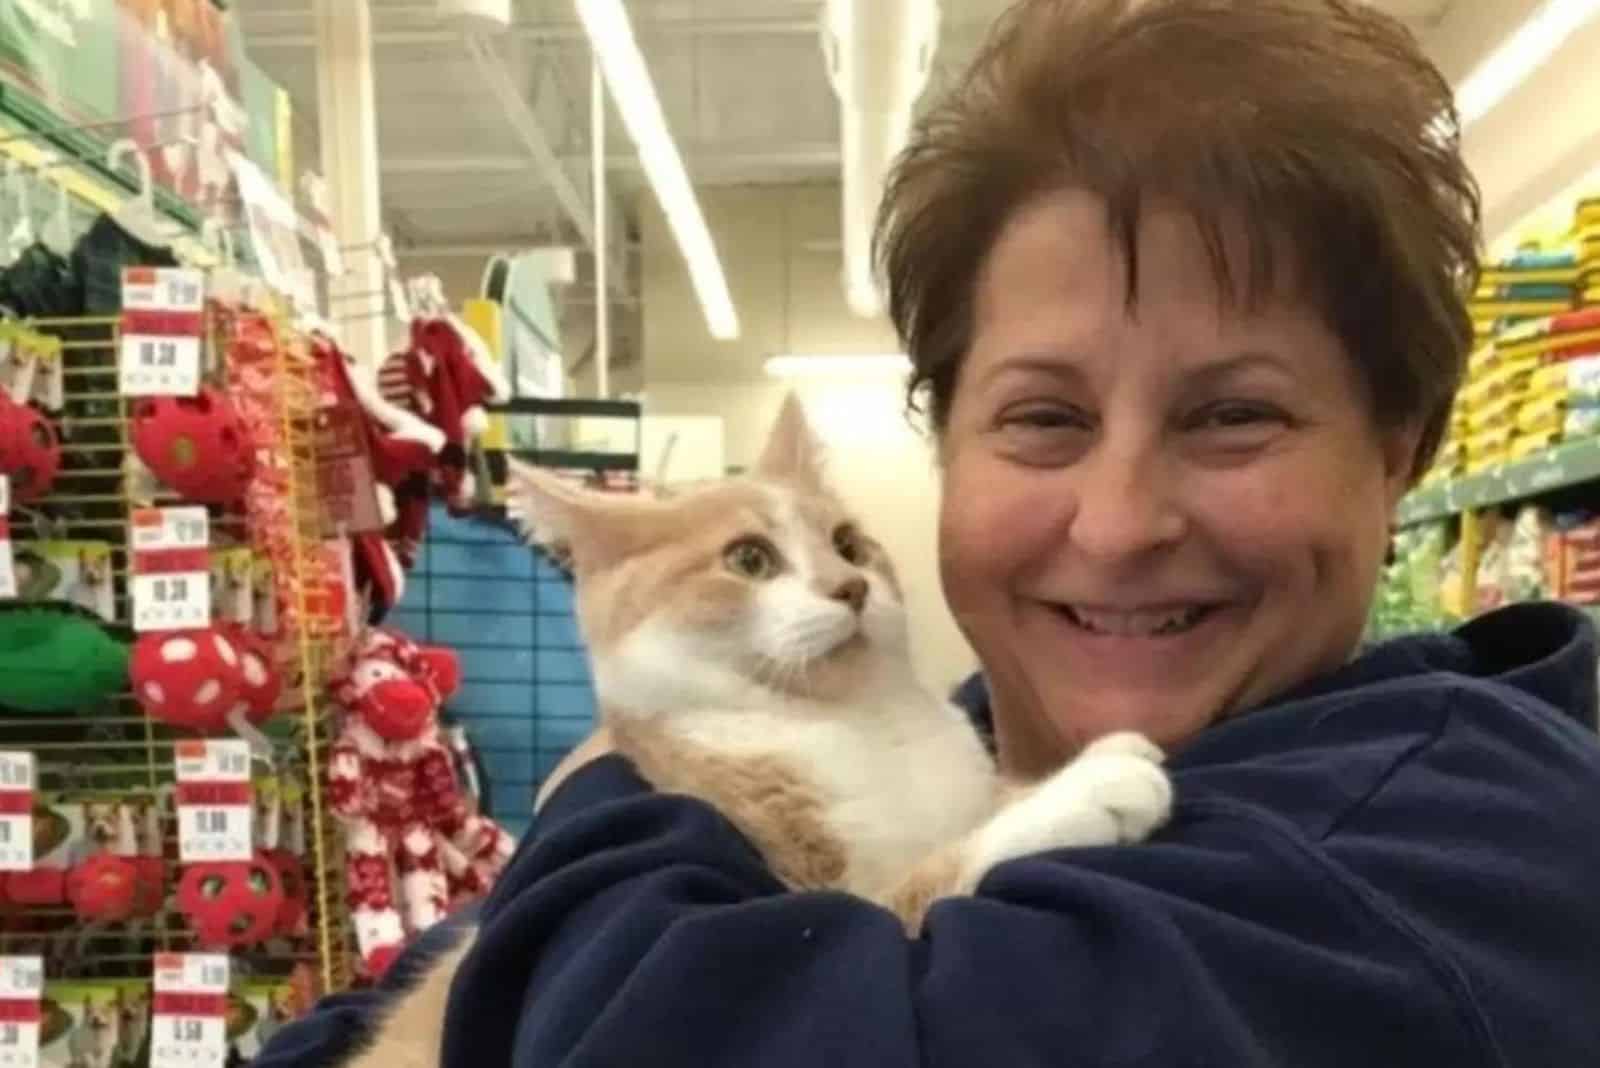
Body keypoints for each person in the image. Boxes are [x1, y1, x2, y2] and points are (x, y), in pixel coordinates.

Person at [259, 1, 1600, 1064]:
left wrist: (602, 804)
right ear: (944, 442)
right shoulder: (955, 727)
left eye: (1235, 415)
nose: (1123, 522)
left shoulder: (1452, 862)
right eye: (1044, 420)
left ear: (1401, 446)